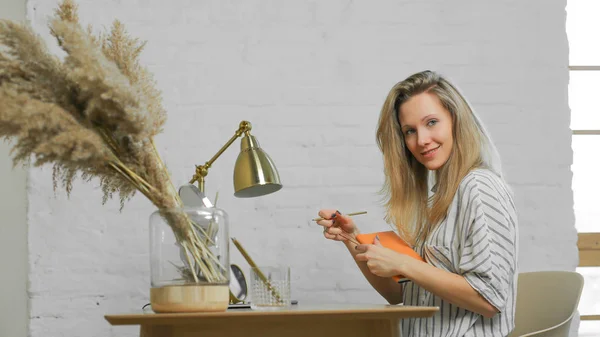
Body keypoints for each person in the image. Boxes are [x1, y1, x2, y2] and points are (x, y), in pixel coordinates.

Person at [317, 70, 518, 337]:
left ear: (456, 120)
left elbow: (490, 299)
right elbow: (400, 293)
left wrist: (403, 263)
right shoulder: (442, 197)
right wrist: (351, 238)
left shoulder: (479, 188)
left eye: (432, 122)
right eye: (410, 131)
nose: (421, 140)